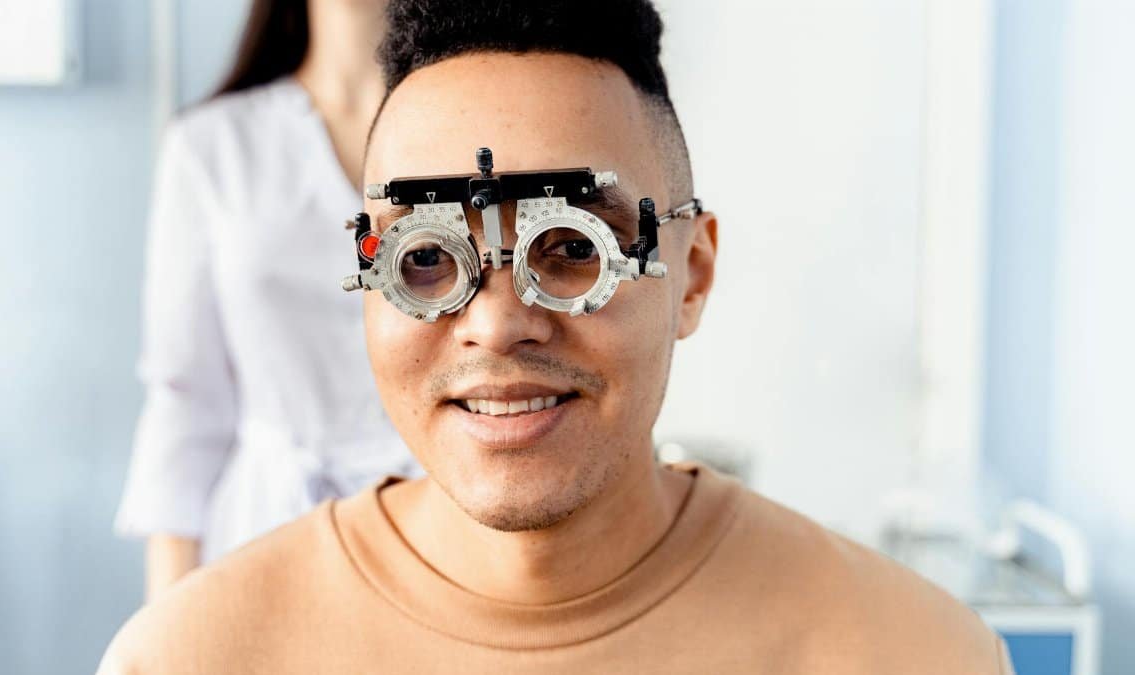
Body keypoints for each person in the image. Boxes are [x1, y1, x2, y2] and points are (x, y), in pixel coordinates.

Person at [99, 1, 1015, 672]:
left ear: (690, 272)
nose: (496, 321)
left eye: (570, 246)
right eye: (428, 259)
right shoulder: (194, 657)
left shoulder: (914, 654)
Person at [113, 0, 417, 600]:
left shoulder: (471, 129)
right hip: (261, 534)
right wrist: (166, 622)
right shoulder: (211, 145)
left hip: (443, 526)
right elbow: (185, 397)